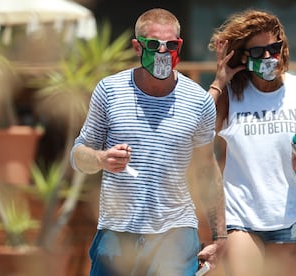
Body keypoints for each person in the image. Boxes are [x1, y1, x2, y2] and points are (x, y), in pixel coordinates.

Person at [70, 8, 226, 276]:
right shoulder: (109, 91)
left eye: (171, 45)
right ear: (137, 47)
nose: (163, 52)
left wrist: (219, 237)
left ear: (180, 46)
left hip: (175, 234)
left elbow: (206, 170)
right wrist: (101, 159)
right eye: (154, 44)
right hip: (117, 232)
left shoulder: (199, 101)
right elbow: (78, 155)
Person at [207, 9, 296, 276]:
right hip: (241, 215)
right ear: (242, 56)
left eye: (274, 48)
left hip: (291, 215)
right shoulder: (231, 96)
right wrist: (219, 80)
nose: (267, 57)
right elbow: (197, 129)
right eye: (257, 52)